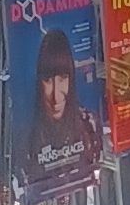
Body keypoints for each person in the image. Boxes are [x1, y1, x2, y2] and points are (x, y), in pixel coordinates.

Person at [16, 26, 101, 195]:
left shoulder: (89, 125)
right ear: (39, 82)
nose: (56, 96)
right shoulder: (26, 137)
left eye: (63, 78)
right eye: (48, 80)